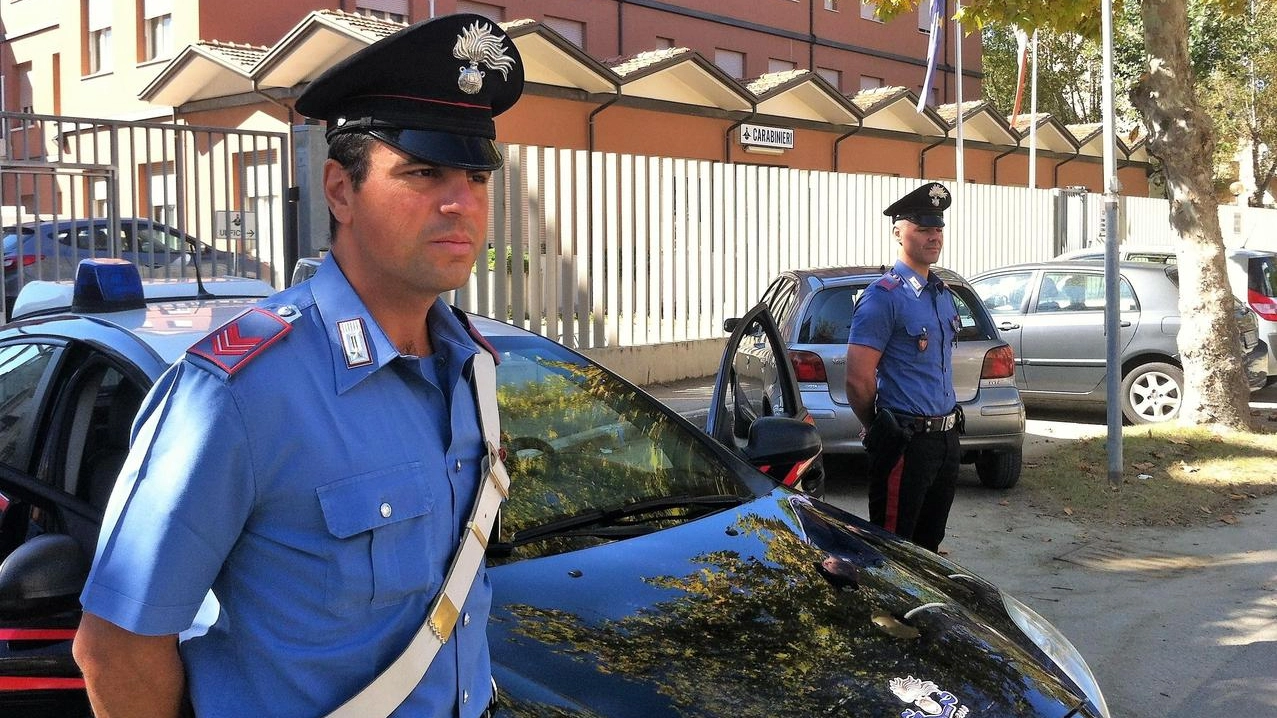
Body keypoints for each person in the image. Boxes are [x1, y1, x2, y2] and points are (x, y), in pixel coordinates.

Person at [73, 14, 522, 718]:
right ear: (340, 191)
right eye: (422, 171)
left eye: (475, 174)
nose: (459, 201)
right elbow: (116, 647)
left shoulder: (471, 368)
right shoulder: (239, 393)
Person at [846, 182, 962, 553]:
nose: (935, 237)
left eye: (938, 228)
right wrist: (876, 428)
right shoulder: (884, 298)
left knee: (930, 548)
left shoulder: (941, 294)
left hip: (945, 439)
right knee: (893, 550)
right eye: (924, 228)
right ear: (898, 232)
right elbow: (858, 379)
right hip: (905, 443)